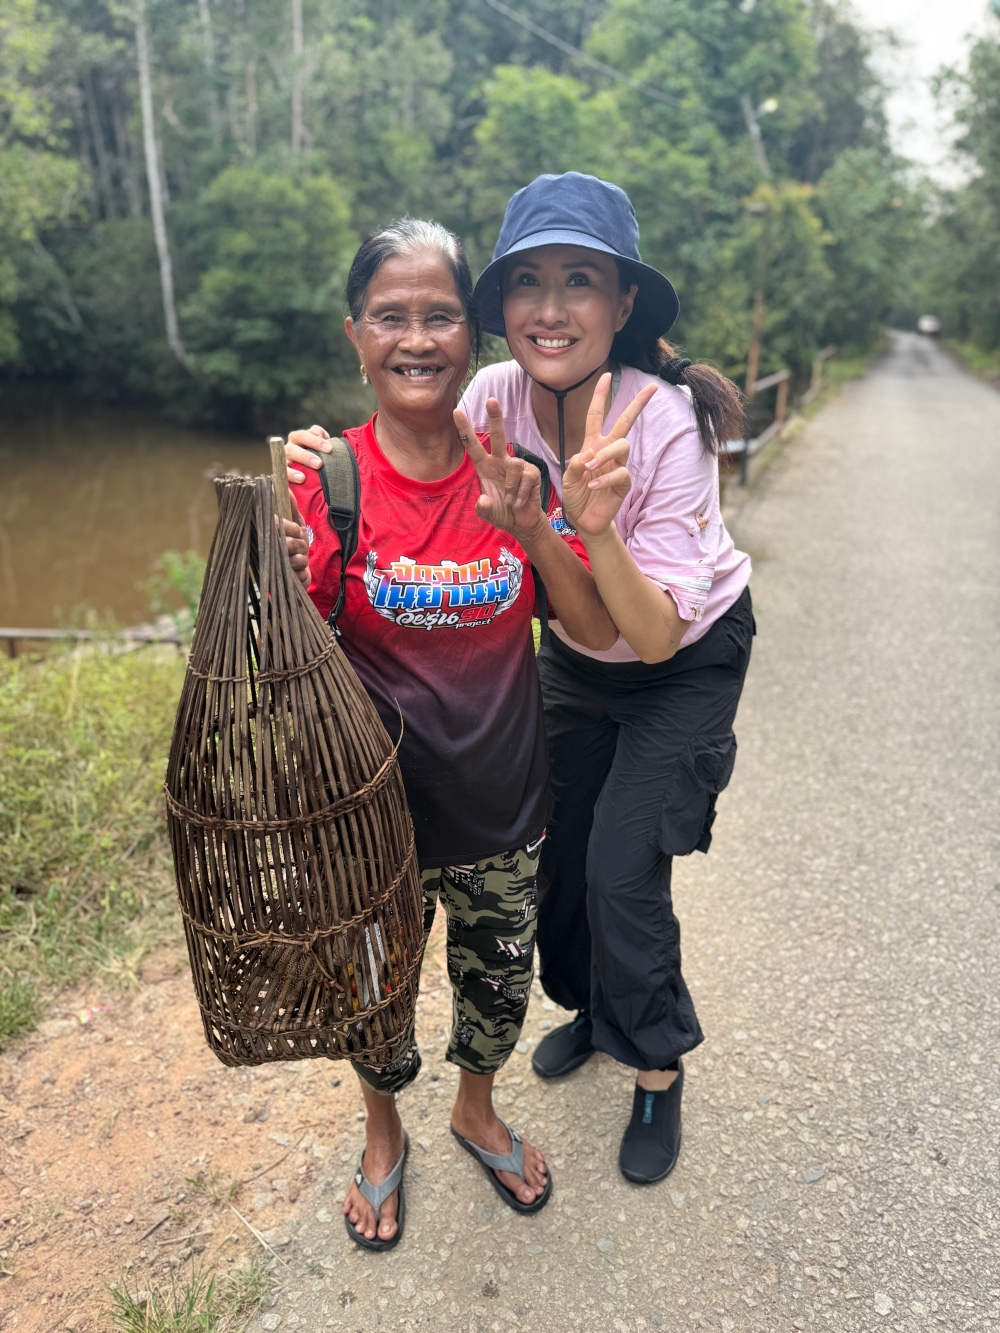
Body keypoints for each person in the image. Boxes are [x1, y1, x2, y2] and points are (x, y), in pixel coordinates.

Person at [280, 217, 651, 1248]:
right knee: (375, 1000)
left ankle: (475, 1106)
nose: (416, 336)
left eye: (440, 314)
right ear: (355, 334)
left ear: (471, 336)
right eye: (390, 315)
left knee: (495, 989)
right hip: (374, 829)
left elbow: (587, 626)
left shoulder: (512, 467)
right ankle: (385, 1130)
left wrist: (534, 524)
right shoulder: (325, 480)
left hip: (501, 814)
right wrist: (269, 562)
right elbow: (289, 656)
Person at [458, 172, 755, 1186]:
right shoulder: (492, 401)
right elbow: (414, 469)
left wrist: (575, 528)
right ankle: (595, 1007)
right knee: (559, 851)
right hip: (581, 655)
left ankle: (657, 1064)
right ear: (500, 307)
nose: (549, 308)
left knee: (623, 866)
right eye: (527, 281)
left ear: (622, 306)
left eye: (579, 280)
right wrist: (330, 472)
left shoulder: (660, 421)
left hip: (681, 661)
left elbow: (652, 637)